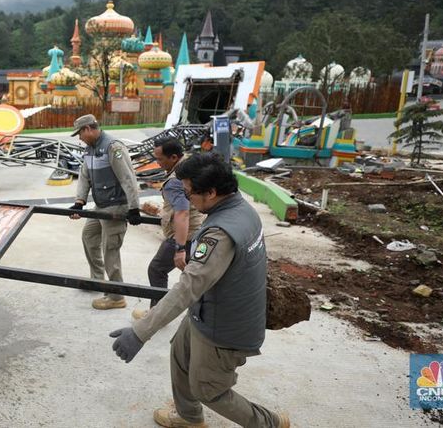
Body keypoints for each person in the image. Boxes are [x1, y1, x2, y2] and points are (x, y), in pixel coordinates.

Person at [109, 153, 290, 428]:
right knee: (180, 355)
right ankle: (189, 417)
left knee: (209, 389)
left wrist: (140, 331)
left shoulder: (221, 233)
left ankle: (269, 423)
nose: (187, 199)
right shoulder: (240, 209)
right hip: (209, 309)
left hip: (225, 325)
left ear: (212, 192)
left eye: (189, 193)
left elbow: (186, 289)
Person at [68, 114, 141, 310]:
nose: (79, 138)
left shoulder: (113, 147)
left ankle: (117, 296)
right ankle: (98, 279)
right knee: (89, 236)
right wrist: (79, 201)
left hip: (116, 207)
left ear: (88, 129)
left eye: (80, 134)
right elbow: (84, 176)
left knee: (110, 249)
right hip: (100, 206)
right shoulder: (90, 149)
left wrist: (134, 207)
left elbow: (128, 178)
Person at [135, 138, 202, 320]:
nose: (158, 163)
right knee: (197, 275)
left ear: (173, 157)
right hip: (201, 231)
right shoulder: (190, 163)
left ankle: (158, 314)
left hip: (185, 235)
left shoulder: (175, 181)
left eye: (160, 159)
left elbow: (182, 213)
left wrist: (179, 247)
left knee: (157, 269)